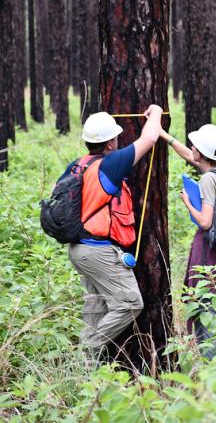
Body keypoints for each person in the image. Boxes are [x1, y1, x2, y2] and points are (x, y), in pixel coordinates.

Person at [63, 105, 163, 351]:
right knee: (130, 303)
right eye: (116, 137)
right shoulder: (110, 164)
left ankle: (85, 374)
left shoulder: (77, 165)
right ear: (109, 144)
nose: (119, 141)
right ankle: (89, 346)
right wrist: (158, 111)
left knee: (96, 305)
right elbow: (149, 138)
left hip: (78, 249)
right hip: (97, 252)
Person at [160, 124, 216, 358]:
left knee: (207, 308)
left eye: (195, 145)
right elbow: (188, 154)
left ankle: (212, 365)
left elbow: (205, 222)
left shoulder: (207, 180)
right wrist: (164, 135)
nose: (191, 148)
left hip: (210, 253)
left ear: (202, 153)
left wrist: (187, 202)